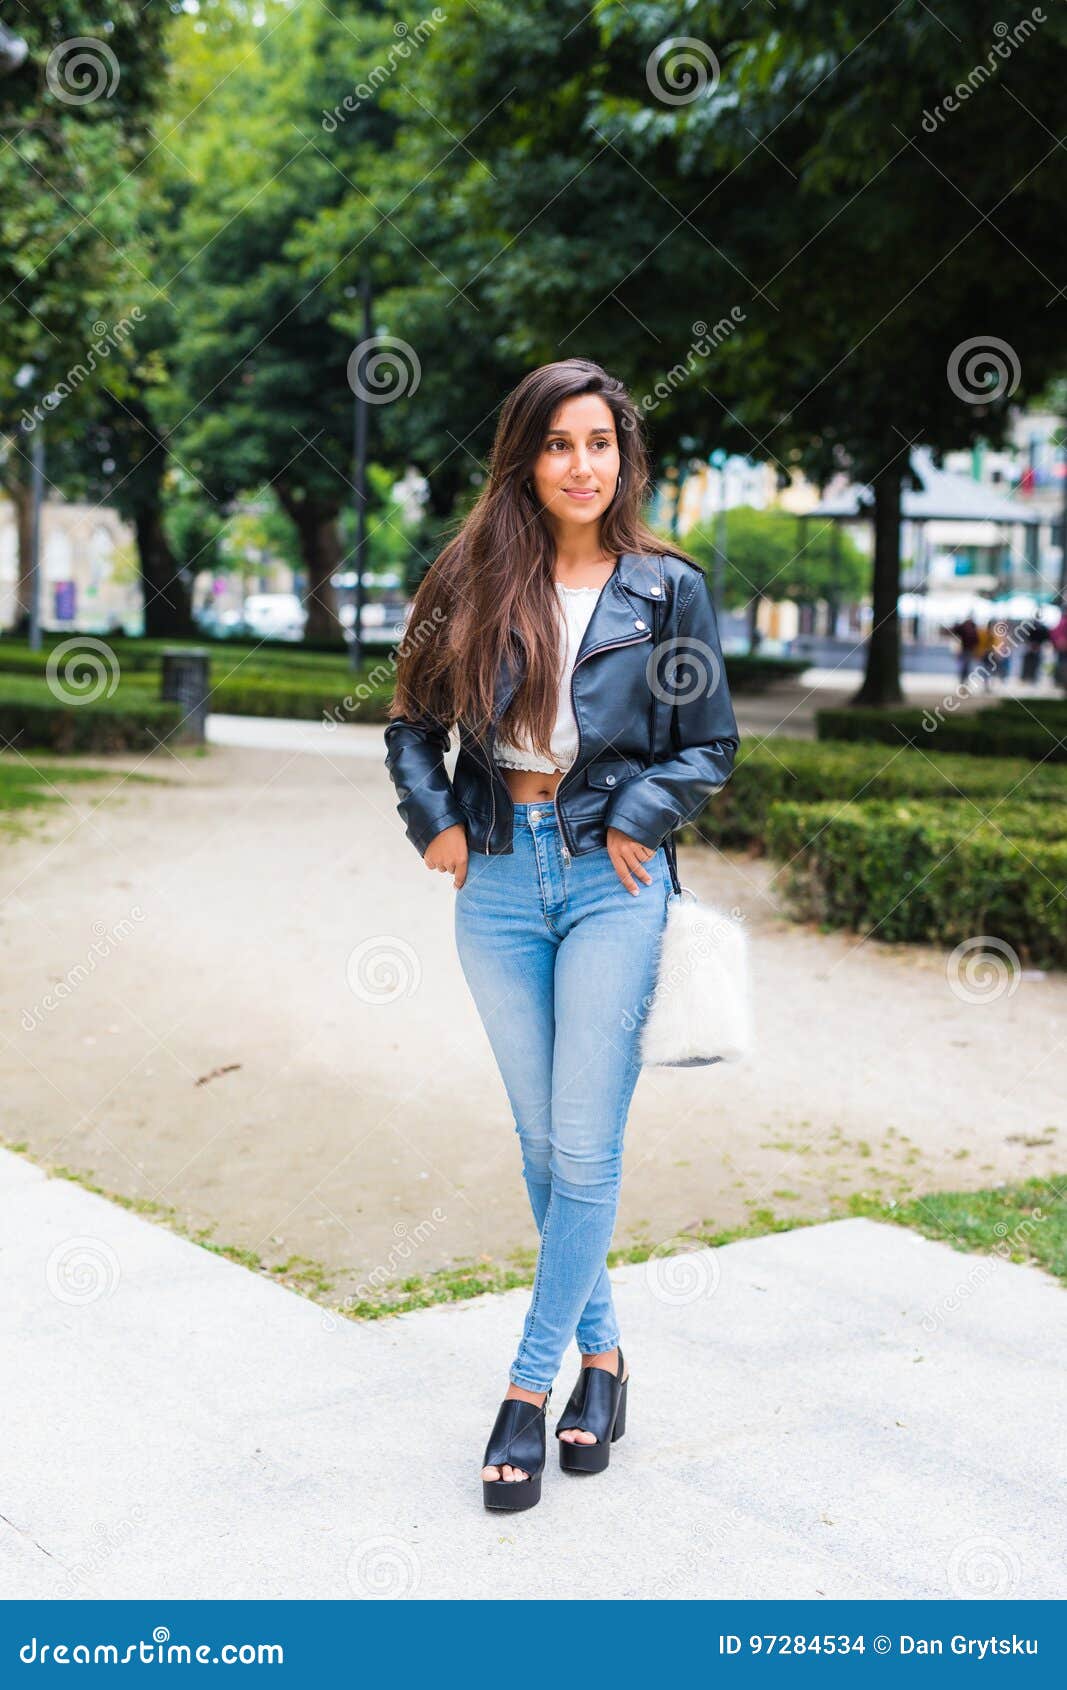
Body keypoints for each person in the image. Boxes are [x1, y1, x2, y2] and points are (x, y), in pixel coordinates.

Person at [383, 358, 739, 1512]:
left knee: (584, 1146)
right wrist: (433, 819)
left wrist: (640, 811)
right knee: (543, 1146)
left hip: (610, 882)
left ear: (622, 457)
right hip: (493, 879)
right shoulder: (471, 574)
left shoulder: (665, 590)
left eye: (600, 443)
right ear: (524, 458)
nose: (582, 465)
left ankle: (525, 1394)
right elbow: (410, 722)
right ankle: (607, 1362)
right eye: (558, 444)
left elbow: (706, 744)